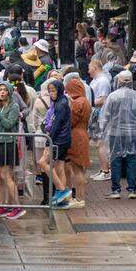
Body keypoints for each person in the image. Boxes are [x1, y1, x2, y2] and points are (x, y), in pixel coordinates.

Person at [100, 69, 136, 199]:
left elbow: (105, 116)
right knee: (132, 159)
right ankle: (132, 189)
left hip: (116, 132)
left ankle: (116, 189)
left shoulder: (113, 96)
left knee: (116, 159)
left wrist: (101, 131)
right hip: (134, 132)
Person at [45, 79, 73, 208]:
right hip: (63, 139)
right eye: (49, 91)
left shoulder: (60, 104)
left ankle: (62, 190)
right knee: (59, 167)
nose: (51, 93)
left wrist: (48, 141)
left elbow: (56, 125)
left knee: (42, 162)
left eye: (53, 90)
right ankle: (62, 199)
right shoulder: (61, 102)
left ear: (60, 90)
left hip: (59, 140)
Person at [64, 75, 91, 207]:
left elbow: (71, 121)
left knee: (77, 169)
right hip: (83, 133)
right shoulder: (85, 100)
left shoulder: (76, 103)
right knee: (79, 169)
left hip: (76, 136)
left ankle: (79, 199)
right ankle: (80, 197)